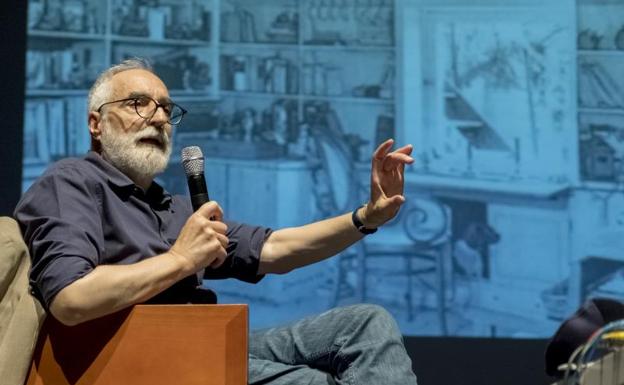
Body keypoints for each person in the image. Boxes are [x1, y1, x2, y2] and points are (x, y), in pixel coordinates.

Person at [14, 58, 418, 385]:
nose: (158, 117)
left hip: (200, 340)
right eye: (139, 103)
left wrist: (366, 217)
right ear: (96, 123)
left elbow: (274, 249)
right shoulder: (72, 182)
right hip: (136, 356)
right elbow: (70, 299)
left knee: (368, 323)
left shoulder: (168, 207)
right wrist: (181, 260)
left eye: (166, 108)